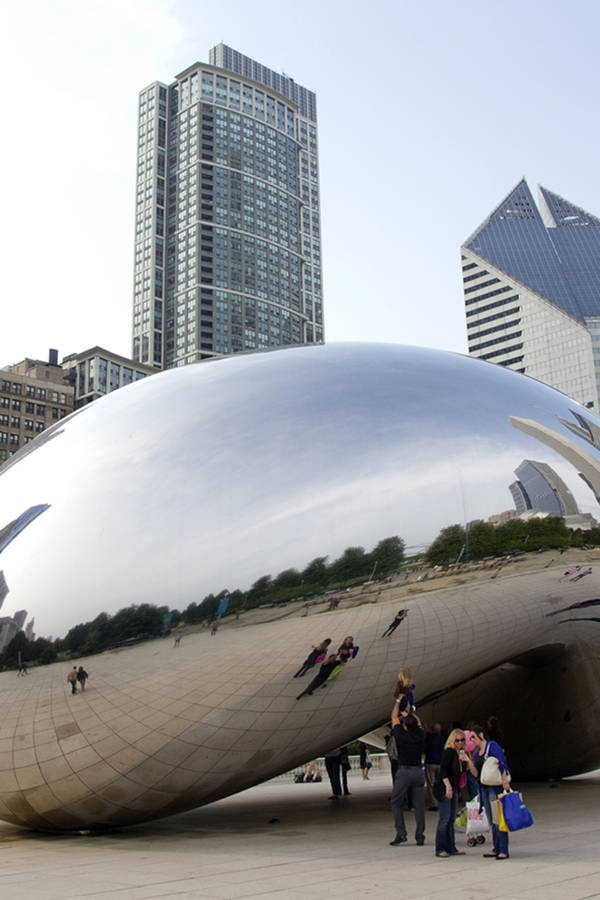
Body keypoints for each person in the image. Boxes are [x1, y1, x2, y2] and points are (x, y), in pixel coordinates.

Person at [470, 725, 511, 860]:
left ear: (481, 735)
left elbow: (502, 762)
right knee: (492, 820)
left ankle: (503, 849)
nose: (472, 740)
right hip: (484, 788)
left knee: (498, 819)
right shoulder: (477, 752)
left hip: (494, 787)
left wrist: (505, 780)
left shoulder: (492, 746)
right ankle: (496, 847)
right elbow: (476, 772)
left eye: (473, 737)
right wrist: (468, 762)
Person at [434, 728, 476, 858]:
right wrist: (448, 788)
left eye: (462, 740)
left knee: (451, 819)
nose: (459, 742)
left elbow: (473, 773)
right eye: (457, 740)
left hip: (455, 788)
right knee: (444, 819)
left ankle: (451, 847)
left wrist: (467, 760)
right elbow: (443, 772)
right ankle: (440, 848)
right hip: (445, 788)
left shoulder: (462, 754)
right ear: (452, 741)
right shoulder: (449, 752)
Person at [389, 708, 426, 847]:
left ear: (404, 726)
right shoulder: (420, 735)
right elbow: (419, 722)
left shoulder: (401, 736)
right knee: (419, 805)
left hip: (404, 771)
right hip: (418, 771)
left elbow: (393, 717)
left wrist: (399, 701)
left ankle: (401, 833)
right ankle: (420, 835)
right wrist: (410, 714)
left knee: (396, 802)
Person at [424, 722, 444, 810]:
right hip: (440, 762)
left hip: (430, 762)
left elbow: (425, 749)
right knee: (440, 783)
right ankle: (441, 800)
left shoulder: (429, 738)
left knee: (431, 784)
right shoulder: (442, 739)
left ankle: (434, 803)